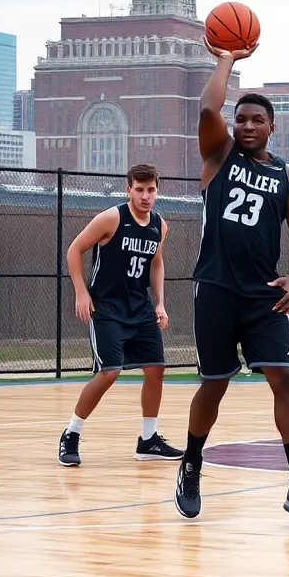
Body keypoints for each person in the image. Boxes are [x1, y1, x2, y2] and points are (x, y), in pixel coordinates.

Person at [175, 41, 289, 523]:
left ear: (271, 127)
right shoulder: (217, 156)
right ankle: (191, 462)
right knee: (215, 383)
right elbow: (208, 107)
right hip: (216, 288)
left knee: (284, 380)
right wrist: (228, 58)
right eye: (240, 118)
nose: (246, 125)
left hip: (265, 294)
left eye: (256, 120)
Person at [58, 163, 181, 467]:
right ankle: (71, 433)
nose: (145, 196)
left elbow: (156, 263)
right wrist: (81, 291)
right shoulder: (111, 218)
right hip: (107, 308)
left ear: (157, 190)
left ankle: (148, 439)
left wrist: (160, 302)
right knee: (110, 371)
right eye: (139, 190)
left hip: (140, 309)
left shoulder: (159, 225)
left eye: (150, 189)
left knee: (156, 368)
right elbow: (74, 250)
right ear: (128, 190)